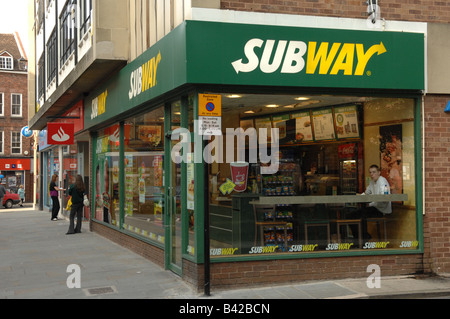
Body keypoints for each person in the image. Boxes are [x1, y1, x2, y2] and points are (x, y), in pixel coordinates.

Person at [349, 164, 392, 241]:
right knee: (350, 215)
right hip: (374, 207)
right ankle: (360, 238)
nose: (372, 174)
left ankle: (364, 238)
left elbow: (384, 198)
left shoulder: (382, 181)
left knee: (361, 216)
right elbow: (366, 193)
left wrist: (371, 201)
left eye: (374, 172)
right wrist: (358, 196)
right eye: (370, 172)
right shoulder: (372, 182)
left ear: (379, 172)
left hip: (381, 210)